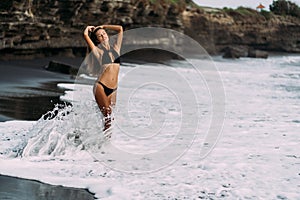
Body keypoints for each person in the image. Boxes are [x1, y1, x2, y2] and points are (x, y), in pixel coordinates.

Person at [83, 24, 123, 132]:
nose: (103, 36)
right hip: (101, 87)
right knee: (108, 117)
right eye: (100, 36)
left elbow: (120, 29)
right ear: (97, 41)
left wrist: (104, 26)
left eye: (104, 34)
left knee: (110, 119)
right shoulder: (99, 52)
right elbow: (85, 35)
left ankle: (101, 142)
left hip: (113, 90)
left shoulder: (116, 49)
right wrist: (87, 29)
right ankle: (102, 146)